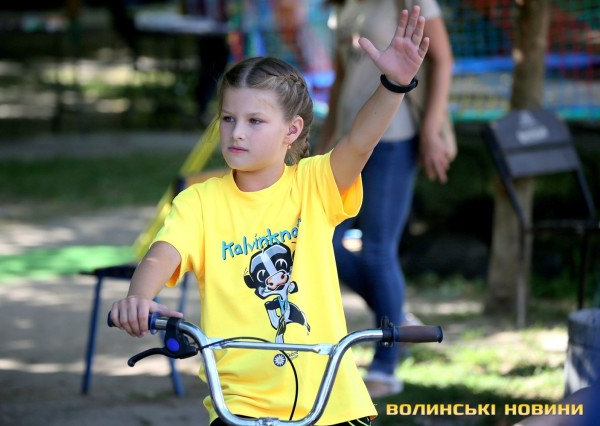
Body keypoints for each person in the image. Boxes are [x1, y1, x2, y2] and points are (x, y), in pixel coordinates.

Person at [110, 6, 429, 425]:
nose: (237, 132)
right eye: (228, 118)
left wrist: (394, 85)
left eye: (255, 121)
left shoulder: (314, 183)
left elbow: (360, 142)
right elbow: (161, 255)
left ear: (291, 131)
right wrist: (140, 296)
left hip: (332, 403)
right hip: (239, 407)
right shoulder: (199, 202)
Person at [315, 0, 454, 398]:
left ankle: (386, 365)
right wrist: (321, 150)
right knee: (320, 240)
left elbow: (443, 61)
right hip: (346, 144)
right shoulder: (341, 7)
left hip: (393, 140)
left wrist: (431, 129)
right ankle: (396, 314)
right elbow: (343, 80)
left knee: (377, 250)